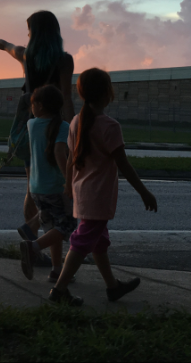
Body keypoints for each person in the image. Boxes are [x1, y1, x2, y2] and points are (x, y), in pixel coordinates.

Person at [49, 68, 158, 307]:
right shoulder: (110, 126)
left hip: (83, 193)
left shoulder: (76, 122)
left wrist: (69, 184)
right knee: (82, 242)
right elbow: (123, 165)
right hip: (98, 197)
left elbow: (70, 158)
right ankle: (59, 290)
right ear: (107, 93)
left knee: (98, 241)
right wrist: (144, 192)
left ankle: (113, 287)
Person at [0, 11, 75, 241]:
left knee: (33, 188)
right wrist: (74, 130)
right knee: (60, 186)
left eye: (29, 30)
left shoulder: (25, 56)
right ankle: (52, 240)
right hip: (55, 131)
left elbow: (5, 45)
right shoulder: (64, 61)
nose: (28, 35)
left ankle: (33, 241)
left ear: (36, 33)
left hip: (32, 129)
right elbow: (67, 98)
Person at [19, 84, 77, 283]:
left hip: (36, 188)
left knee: (53, 229)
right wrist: (69, 182)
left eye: (33, 104)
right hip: (55, 187)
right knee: (67, 225)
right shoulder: (63, 126)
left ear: (41, 106)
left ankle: (56, 270)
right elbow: (60, 153)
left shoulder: (31, 125)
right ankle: (32, 247)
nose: (31, 108)